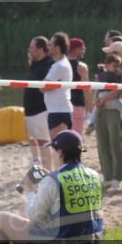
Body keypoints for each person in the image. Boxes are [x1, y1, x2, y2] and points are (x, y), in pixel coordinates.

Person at [0, 130, 103, 244]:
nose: (51, 155)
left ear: (60, 152)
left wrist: (29, 190)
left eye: (53, 151)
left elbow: (34, 218)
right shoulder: (94, 175)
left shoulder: (53, 180)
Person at [93, 54, 122, 189]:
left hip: (114, 109)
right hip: (102, 108)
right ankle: (107, 176)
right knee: (102, 144)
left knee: (115, 143)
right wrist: (97, 101)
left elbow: (120, 91)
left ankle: (118, 176)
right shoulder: (103, 72)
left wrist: (103, 100)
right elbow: (98, 88)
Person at [42, 32, 74, 169]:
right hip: (59, 110)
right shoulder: (60, 64)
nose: (48, 47)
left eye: (51, 44)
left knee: (60, 150)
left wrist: (45, 86)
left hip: (58, 111)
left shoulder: (59, 66)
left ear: (58, 47)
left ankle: (62, 179)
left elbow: (43, 87)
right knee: (61, 150)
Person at [22, 36, 52, 166]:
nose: (29, 51)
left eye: (32, 48)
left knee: (43, 142)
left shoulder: (48, 64)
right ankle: (41, 167)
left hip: (41, 110)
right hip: (30, 110)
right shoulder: (35, 64)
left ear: (40, 50)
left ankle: (47, 170)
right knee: (35, 140)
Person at [67, 38, 93, 134]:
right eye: (82, 48)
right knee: (76, 137)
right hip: (77, 105)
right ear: (75, 49)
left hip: (62, 106)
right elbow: (86, 89)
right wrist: (91, 109)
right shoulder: (81, 66)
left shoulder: (58, 64)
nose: (84, 50)